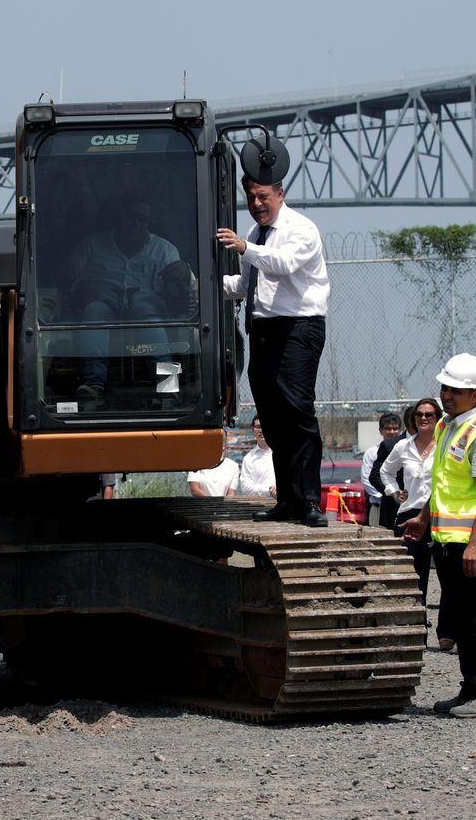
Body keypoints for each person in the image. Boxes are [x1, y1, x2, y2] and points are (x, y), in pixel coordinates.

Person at [216, 132, 331, 527]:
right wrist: (203, 286)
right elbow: (244, 286)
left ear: (279, 193)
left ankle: (311, 502)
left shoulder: (302, 229)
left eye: (263, 197)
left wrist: (246, 250)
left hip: (299, 329)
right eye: (250, 198)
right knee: (273, 416)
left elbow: (281, 264)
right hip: (263, 330)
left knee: (298, 413)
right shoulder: (253, 235)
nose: (257, 205)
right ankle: (288, 499)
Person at [403, 353, 476, 718]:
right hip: (448, 541)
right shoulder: (448, 427)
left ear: (475, 392)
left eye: (456, 390)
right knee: (463, 620)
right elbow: (445, 485)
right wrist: (424, 517)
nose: (447, 395)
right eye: (445, 387)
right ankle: (471, 690)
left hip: (473, 545)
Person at [67, 190, 194, 400]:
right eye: (129, 217)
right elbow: (65, 278)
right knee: (94, 311)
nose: (135, 224)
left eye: (141, 219)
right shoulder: (91, 246)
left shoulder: (164, 250)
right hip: (103, 306)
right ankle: (92, 384)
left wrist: (184, 272)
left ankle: (168, 385)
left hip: (147, 312)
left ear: (149, 222)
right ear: (119, 218)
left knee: (148, 316)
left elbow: (191, 286)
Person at [381, 398, 443, 638]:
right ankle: (417, 630)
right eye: (419, 415)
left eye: (429, 415)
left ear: (437, 418)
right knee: (414, 575)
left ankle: (447, 631)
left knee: (447, 574)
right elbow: (385, 471)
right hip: (409, 513)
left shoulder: (444, 446)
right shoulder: (403, 446)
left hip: (439, 514)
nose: (424, 419)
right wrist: (394, 491)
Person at [360, 412, 404, 528]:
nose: (392, 432)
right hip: (379, 506)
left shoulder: (406, 449)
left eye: (395, 428)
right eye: (388, 429)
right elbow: (367, 479)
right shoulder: (372, 452)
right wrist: (387, 496)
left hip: (403, 505)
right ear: (381, 431)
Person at [188, 416, 241, 498]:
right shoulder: (197, 462)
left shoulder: (233, 466)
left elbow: (231, 493)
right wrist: (213, 502)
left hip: (222, 507)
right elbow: (194, 490)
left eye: (222, 440)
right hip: (202, 506)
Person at [236, 416, 276, 499]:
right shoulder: (249, 458)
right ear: (253, 429)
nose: (261, 430)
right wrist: (269, 490)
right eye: (258, 427)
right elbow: (246, 488)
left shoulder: (284, 454)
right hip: (260, 506)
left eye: (264, 426)